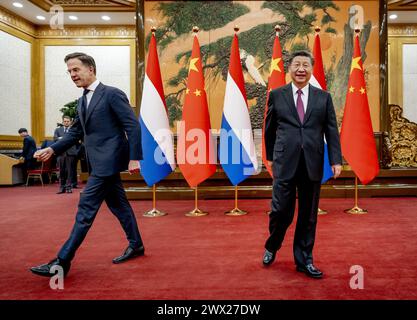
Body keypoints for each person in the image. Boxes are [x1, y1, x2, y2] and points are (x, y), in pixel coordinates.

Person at [30, 52, 144, 278]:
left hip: (108, 162)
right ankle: (137, 245)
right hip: (98, 163)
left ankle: (62, 262)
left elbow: (133, 126)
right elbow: (75, 133)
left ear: (90, 69)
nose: (72, 75)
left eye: (76, 70)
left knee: (85, 209)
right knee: (119, 207)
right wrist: (53, 149)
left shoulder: (112, 94)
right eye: (69, 72)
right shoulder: (82, 100)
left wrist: (134, 157)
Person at [263, 50, 342, 279]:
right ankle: (272, 244)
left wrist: (336, 160)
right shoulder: (277, 95)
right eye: (296, 64)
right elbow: (269, 129)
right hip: (284, 162)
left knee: (308, 215)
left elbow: (331, 130)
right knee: (280, 212)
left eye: (305, 65)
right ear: (289, 69)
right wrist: (269, 156)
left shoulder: (323, 97)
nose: (301, 69)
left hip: (312, 163)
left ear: (311, 69)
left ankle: (304, 260)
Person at [54, 116, 78, 194]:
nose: (66, 122)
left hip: (71, 153)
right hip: (61, 153)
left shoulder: (73, 130)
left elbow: (75, 139)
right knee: (61, 171)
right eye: (65, 121)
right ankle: (62, 188)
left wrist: (62, 138)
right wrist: (62, 138)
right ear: (62, 122)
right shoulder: (58, 130)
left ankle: (68, 187)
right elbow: (55, 139)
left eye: (68, 121)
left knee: (70, 171)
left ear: (70, 122)